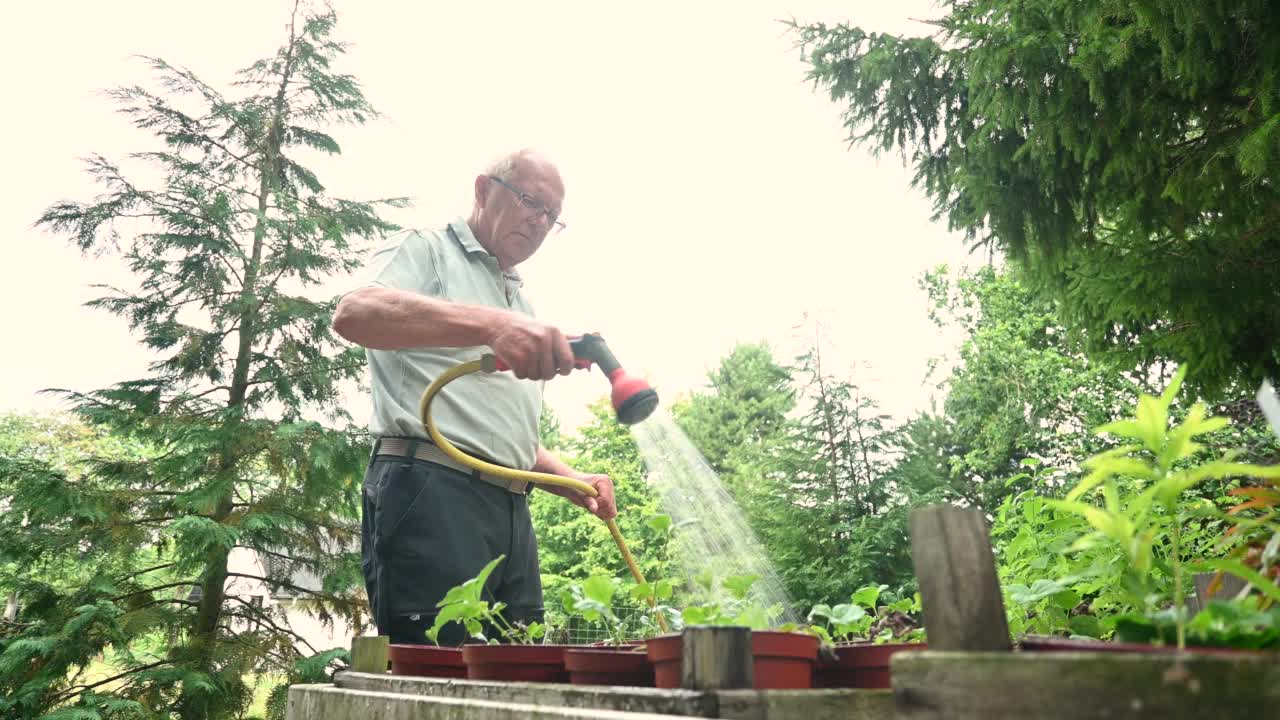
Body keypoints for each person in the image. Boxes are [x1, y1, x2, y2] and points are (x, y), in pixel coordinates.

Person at [332, 149, 617, 645]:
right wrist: (494, 324)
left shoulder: (519, 300)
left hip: (509, 508)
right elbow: (355, 313)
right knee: (439, 669)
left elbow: (495, 433)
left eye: (552, 215)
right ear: (484, 190)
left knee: (520, 667)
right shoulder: (426, 249)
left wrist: (570, 480)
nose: (540, 221)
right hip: (431, 489)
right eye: (532, 201)